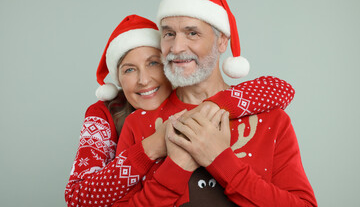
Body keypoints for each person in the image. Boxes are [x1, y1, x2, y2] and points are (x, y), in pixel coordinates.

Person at [112, 0, 317, 207]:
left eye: (192, 33)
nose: (177, 48)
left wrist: (220, 160)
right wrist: (176, 168)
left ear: (222, 42)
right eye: (169, 33)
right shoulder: (139, 124)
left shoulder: (272, 120)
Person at [64, 14, 296, 206]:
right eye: (129, 70)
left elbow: (281, 88)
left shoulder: (263, 115)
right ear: (117, 79)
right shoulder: (105, 115)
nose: (144, 80)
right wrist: (155, 148)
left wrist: (211, 110)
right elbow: (77, 198)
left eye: (153, 63)